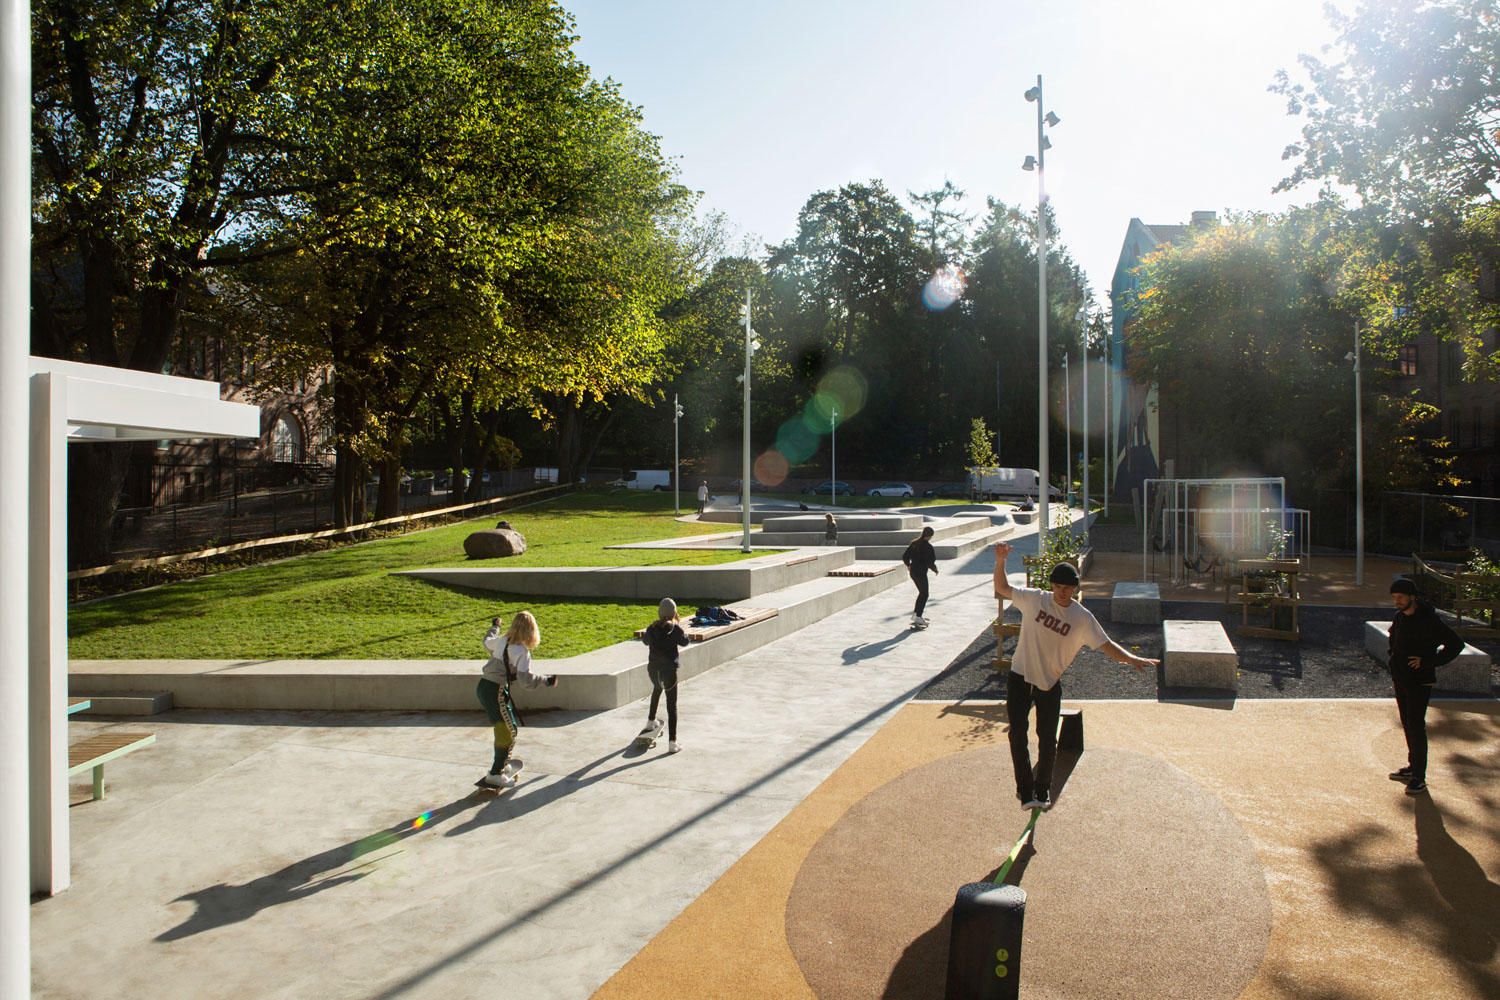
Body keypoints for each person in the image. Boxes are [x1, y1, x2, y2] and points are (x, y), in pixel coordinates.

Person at [992, 541, 1159, 810]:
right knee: (1017, 736)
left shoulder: (1082, 618)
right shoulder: (1035, 599)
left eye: (1068, 588)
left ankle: (1042, 789)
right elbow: (1002, 588)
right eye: (1058, 587)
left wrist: (1131, 658)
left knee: (1048, 739)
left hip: (1049, 684)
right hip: (1020, 678)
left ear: (1075, 589)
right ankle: (1025, 791)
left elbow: (1106, 645)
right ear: (1051, 585)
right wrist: (1000, 561)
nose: (1062, 593)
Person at [1385, 578, 1462, 795]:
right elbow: (1393, 639)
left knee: (1417, 726)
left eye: (1400, 597)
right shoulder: (1399, 617)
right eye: (1394, 598)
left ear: (1412, 597)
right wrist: (1393, 658)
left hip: (1420, 681)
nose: (1397, 601)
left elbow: (1456, 644)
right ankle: (1412, 767)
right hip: (1401, 679)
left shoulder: (1429, 620)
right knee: (1408, 724)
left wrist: (1429, 662)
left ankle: (1419, 777)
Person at [476, 610, 557, 788]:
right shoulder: (522, 652)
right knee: (508, 731)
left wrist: (494, 627)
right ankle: (495, 773)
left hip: (484, 687)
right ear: (532, 631)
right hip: (495, 690)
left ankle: (502, 765)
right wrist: (546, 680)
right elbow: (526, 681)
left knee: (507, 728)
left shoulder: (502, 641)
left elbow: (486, 641)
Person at [639, 597, 690, 753]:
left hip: (653, 671)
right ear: (674, 613)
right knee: (671, 706)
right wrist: (679, 625)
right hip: (669, 672)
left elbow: (645, 641)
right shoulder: (675, 629)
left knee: (657, 688)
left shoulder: (652, 628)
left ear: (659, 613)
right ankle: (672, 742)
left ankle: (650, 720)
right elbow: (685, 642)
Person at [902, 526, 938, 627]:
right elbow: (930, 562)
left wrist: (908, 565)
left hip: (913, 572)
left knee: (921, 593)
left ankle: (916, 614)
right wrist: (935, 569)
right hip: (921, 573)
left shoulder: (914, 543)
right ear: (930, 536)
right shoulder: (928, 547)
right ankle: (918, 616)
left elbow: (905, 556)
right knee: (925, 594)